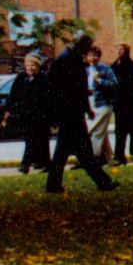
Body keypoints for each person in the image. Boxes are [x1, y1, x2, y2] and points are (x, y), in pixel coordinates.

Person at [44, 36, 117, 193]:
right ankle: (104, 182)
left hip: (68, 113)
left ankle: (54, 184)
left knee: (67, 152)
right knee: (82, 152)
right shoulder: (71, 61)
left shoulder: (65, 59)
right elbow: (76, 90)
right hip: (72, 113)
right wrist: (85, 108)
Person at [6, 52, 49, 173]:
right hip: (25, 114)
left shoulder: (43, 78)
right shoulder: (21, 78)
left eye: (33, 65)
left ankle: (25, 165)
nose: (29, 68)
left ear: (38, 66)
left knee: (39, 139)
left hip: (41, 115)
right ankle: (45, 162)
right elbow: (12, 95)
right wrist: (8, 109)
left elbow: (48, 98)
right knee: (30, 139)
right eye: (27, 65)